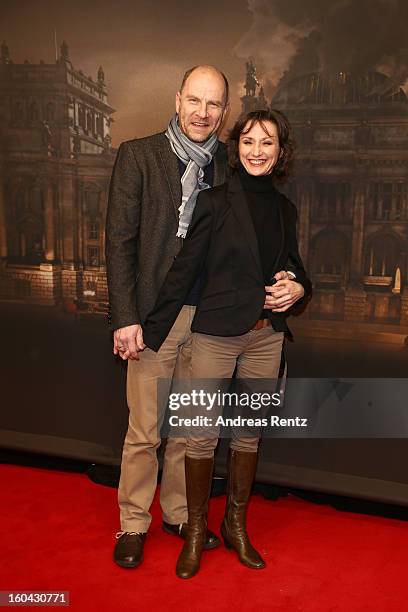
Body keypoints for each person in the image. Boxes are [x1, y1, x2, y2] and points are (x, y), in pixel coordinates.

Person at [143, 109, 312, 579]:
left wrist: (299, 288)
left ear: (281, 153)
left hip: (265, 339)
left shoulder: (285, 210)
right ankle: (196, 531)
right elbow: (185, 270)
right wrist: (150, 332)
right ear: (235, 148)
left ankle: (235, 526)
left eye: (268, 143)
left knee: (248, 435)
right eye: (248, 142)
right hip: (215, 336)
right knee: (200, 436)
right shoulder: (213, 202)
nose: (257, 151)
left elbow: (296, 269)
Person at [105, 65, 230, 569]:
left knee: (189, 426)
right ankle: (133, 522)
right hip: (155, 318)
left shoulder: (227, 165)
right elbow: (120, 243)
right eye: (195, 101)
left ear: (225, 111)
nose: (203, 113)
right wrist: (125, 317)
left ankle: (179, 513)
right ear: (178, 100)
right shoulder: (138, 156)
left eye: (214, 104)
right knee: (145, 430)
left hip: (209, 320)